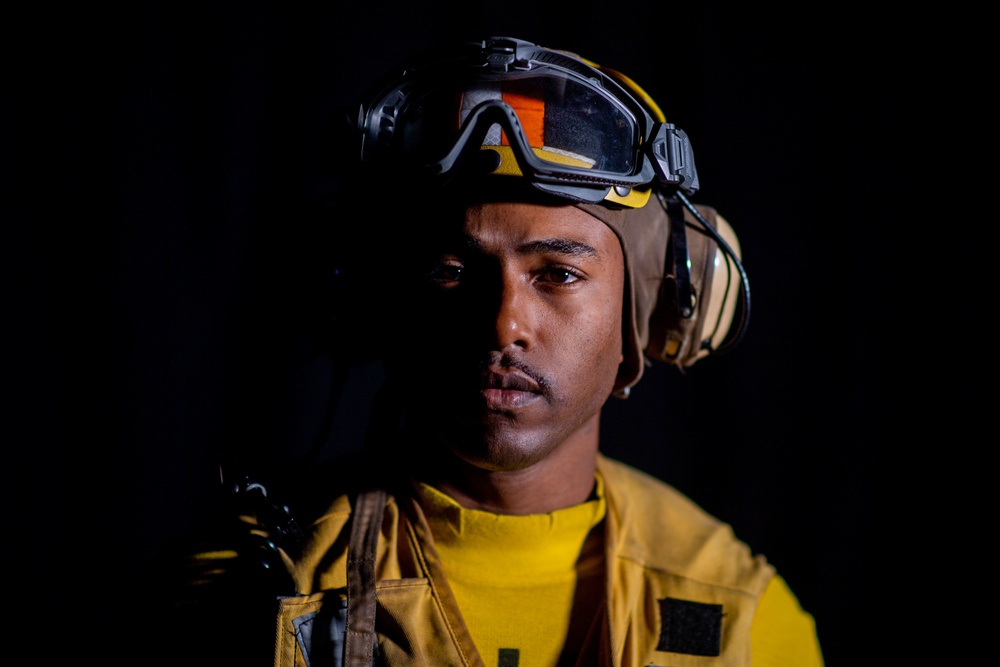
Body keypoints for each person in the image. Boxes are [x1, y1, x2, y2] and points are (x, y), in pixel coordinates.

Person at [148, 35, 824, 667]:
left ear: (665, 302)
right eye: (450, 271)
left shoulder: (741, 616)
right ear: (378, 295)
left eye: (557, 273)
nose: (503, 325)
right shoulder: (249, 593)